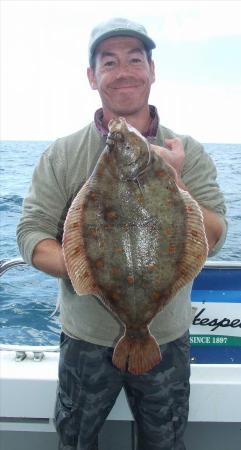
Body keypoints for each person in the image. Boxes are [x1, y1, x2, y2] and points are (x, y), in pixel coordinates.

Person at [17, 17, 227, 450]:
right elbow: (31, 233)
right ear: (93, 77)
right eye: (109, 62)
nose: (124, 70)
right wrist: (83, 269)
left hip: (165, 337)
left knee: (165, 441)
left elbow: (216, 235)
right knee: (76, 441)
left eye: (135, 59)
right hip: (86, 339)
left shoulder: (185, 150)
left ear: (152, 71)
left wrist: (177, 181)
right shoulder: (62, 154)